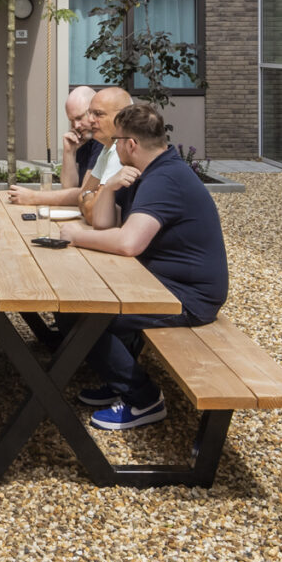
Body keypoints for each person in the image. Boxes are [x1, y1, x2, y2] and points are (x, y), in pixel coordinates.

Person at [56, 101, 226, 430]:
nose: (112, 146)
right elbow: (98, 217)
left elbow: (127, 242)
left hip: (185, 297)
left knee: (80, 312)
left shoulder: (163, 177)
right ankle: (119, 381)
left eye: (115, 140)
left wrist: (75, 235)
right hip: (161, 283)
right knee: (84, 303)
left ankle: (143, 398)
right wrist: (107, 185)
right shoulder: (133, 166)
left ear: (130, 143)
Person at [11, 85, 132, 209]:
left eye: (80, 118)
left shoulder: (107, 142)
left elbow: (84, 197)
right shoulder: (90, 141)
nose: (76, 125)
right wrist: (69, 152)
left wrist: (33, 197)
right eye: (71, 120)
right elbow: (73, 190)